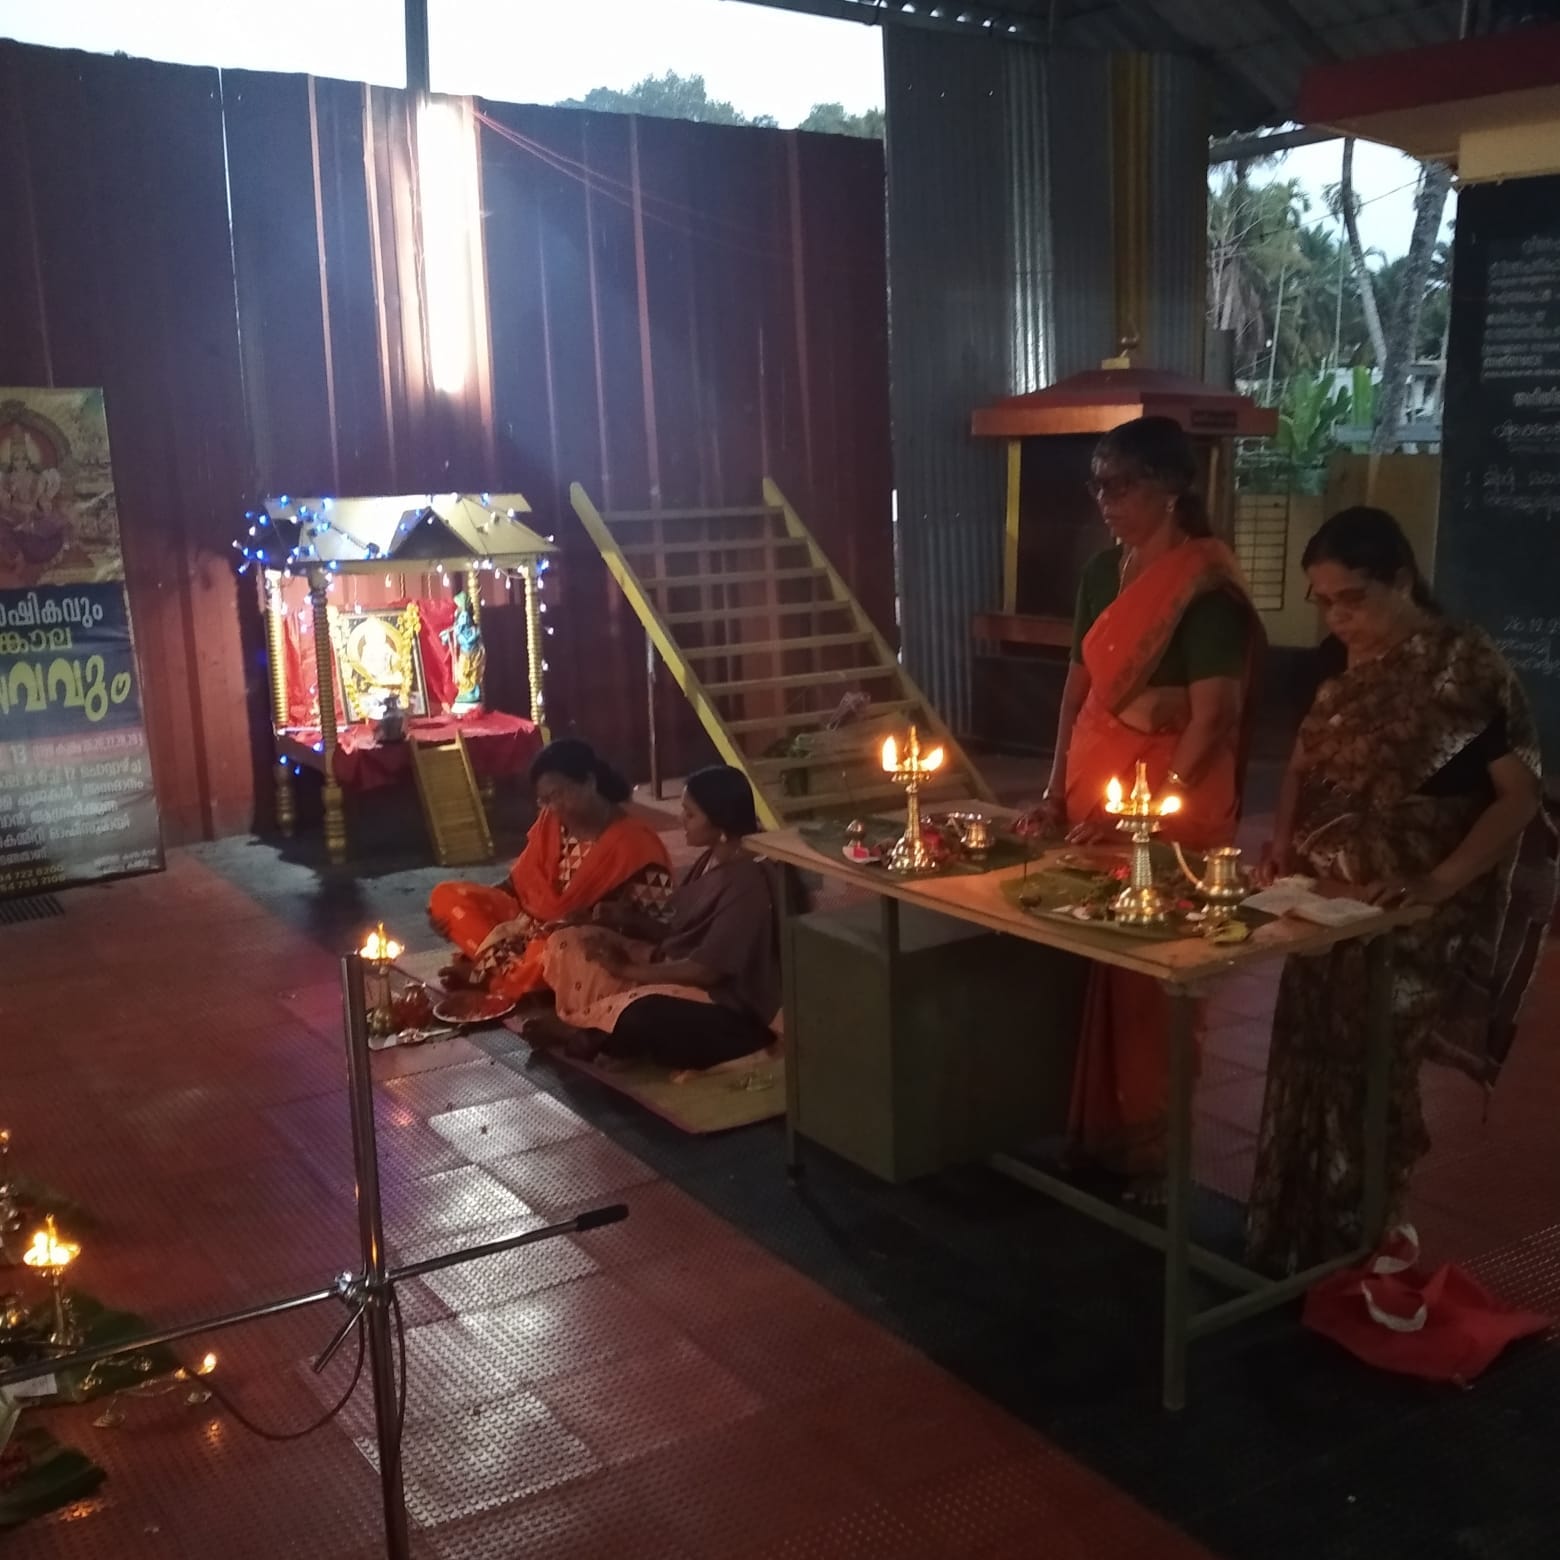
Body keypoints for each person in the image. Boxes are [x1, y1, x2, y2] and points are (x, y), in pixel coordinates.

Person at [1246, 506, 1553, 1275]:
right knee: (1306, 1058)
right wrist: (1282, 844)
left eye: (1353, 598)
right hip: (1323, 902)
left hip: (1412, 912)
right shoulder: (1335, 667)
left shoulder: (1462, 666)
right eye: (1324, 601)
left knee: (1375, 1070)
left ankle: (1369, 1236)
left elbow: (1518, 797)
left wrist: (1436, 881)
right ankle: (1294, 1238)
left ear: (1402, 581)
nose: (1338, 617)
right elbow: (1302, 766)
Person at [1020, 415, 1262, 1199]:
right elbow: (1079, 688)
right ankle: (1093, 1133)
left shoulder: (1205, 589)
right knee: (1088, 960)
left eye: (1120, 484)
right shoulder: (1102, 574)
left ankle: (1155, 1151)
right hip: (1097, 790)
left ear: (1171, 487)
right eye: (1097, 484)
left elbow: (1213, 715)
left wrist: (1149, 817)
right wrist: (1056, 784)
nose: (1104, 500)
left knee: (1155, 980)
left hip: (1169, 805)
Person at [525, 765, 791, 1074]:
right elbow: (681, 933)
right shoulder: (714, 854)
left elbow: (708, 972)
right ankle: (601, 1027)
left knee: (643, 1012)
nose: (682, 821)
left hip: (731, 1007)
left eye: (690, 815)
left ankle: (597, 1033)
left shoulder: (749, 882)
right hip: (677, 967)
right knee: (570, 941)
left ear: (720, 822)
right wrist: (626, 923)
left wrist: (628, 967)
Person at [427, 738, 673, 1001]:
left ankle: (491, 975)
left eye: (558, 795)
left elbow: (663, 932)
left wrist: (615, 919)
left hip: (569, 942)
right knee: (446, 896)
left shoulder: (636, 845)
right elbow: (516, 885)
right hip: (526, 925)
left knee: (558, 949)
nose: (552, 808)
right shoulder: (552, 821)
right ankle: (499, 973)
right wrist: (469, 910)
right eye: (544, 800)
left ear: (589, 782)